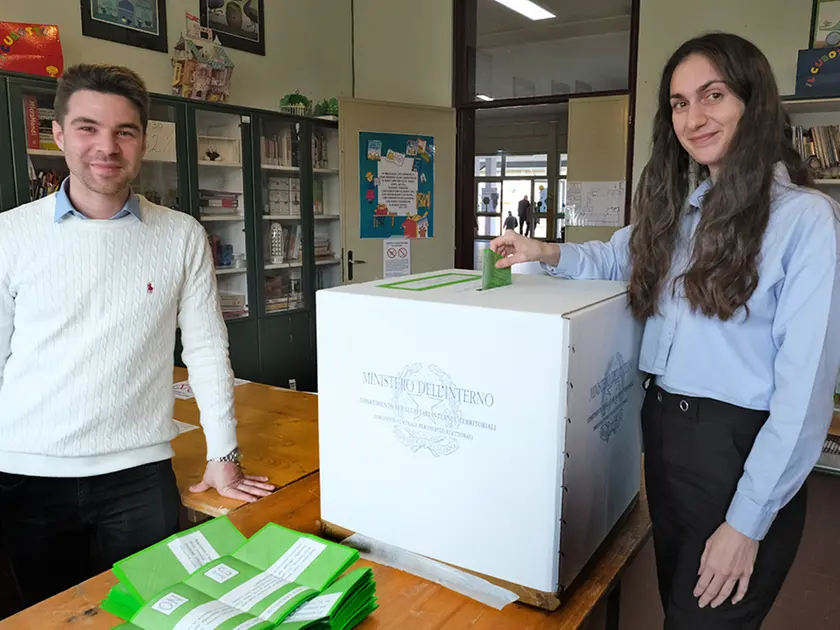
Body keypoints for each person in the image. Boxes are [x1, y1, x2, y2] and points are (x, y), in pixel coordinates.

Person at [492, 33, 840, 629]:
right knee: (679, 605)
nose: (693, 117)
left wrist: (746, 523)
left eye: (713, 95)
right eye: (679, 103)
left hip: (738, 449)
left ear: (752, 103)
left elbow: (804, 398)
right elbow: (612, 259)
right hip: (665, 433)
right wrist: (543, 250)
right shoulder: (686, 211)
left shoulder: (805, 219)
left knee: (704, 615)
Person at [0, 64, 276, 610]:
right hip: (27, 473)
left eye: (124, 131)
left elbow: (205, 350)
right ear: (58, 135)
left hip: (138, 474)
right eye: (87, 127)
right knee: (51, 618)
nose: (106, 146)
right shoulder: (10, 234)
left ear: (143, 141)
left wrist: (224, 452)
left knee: (153, 612)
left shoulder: (181, 236)